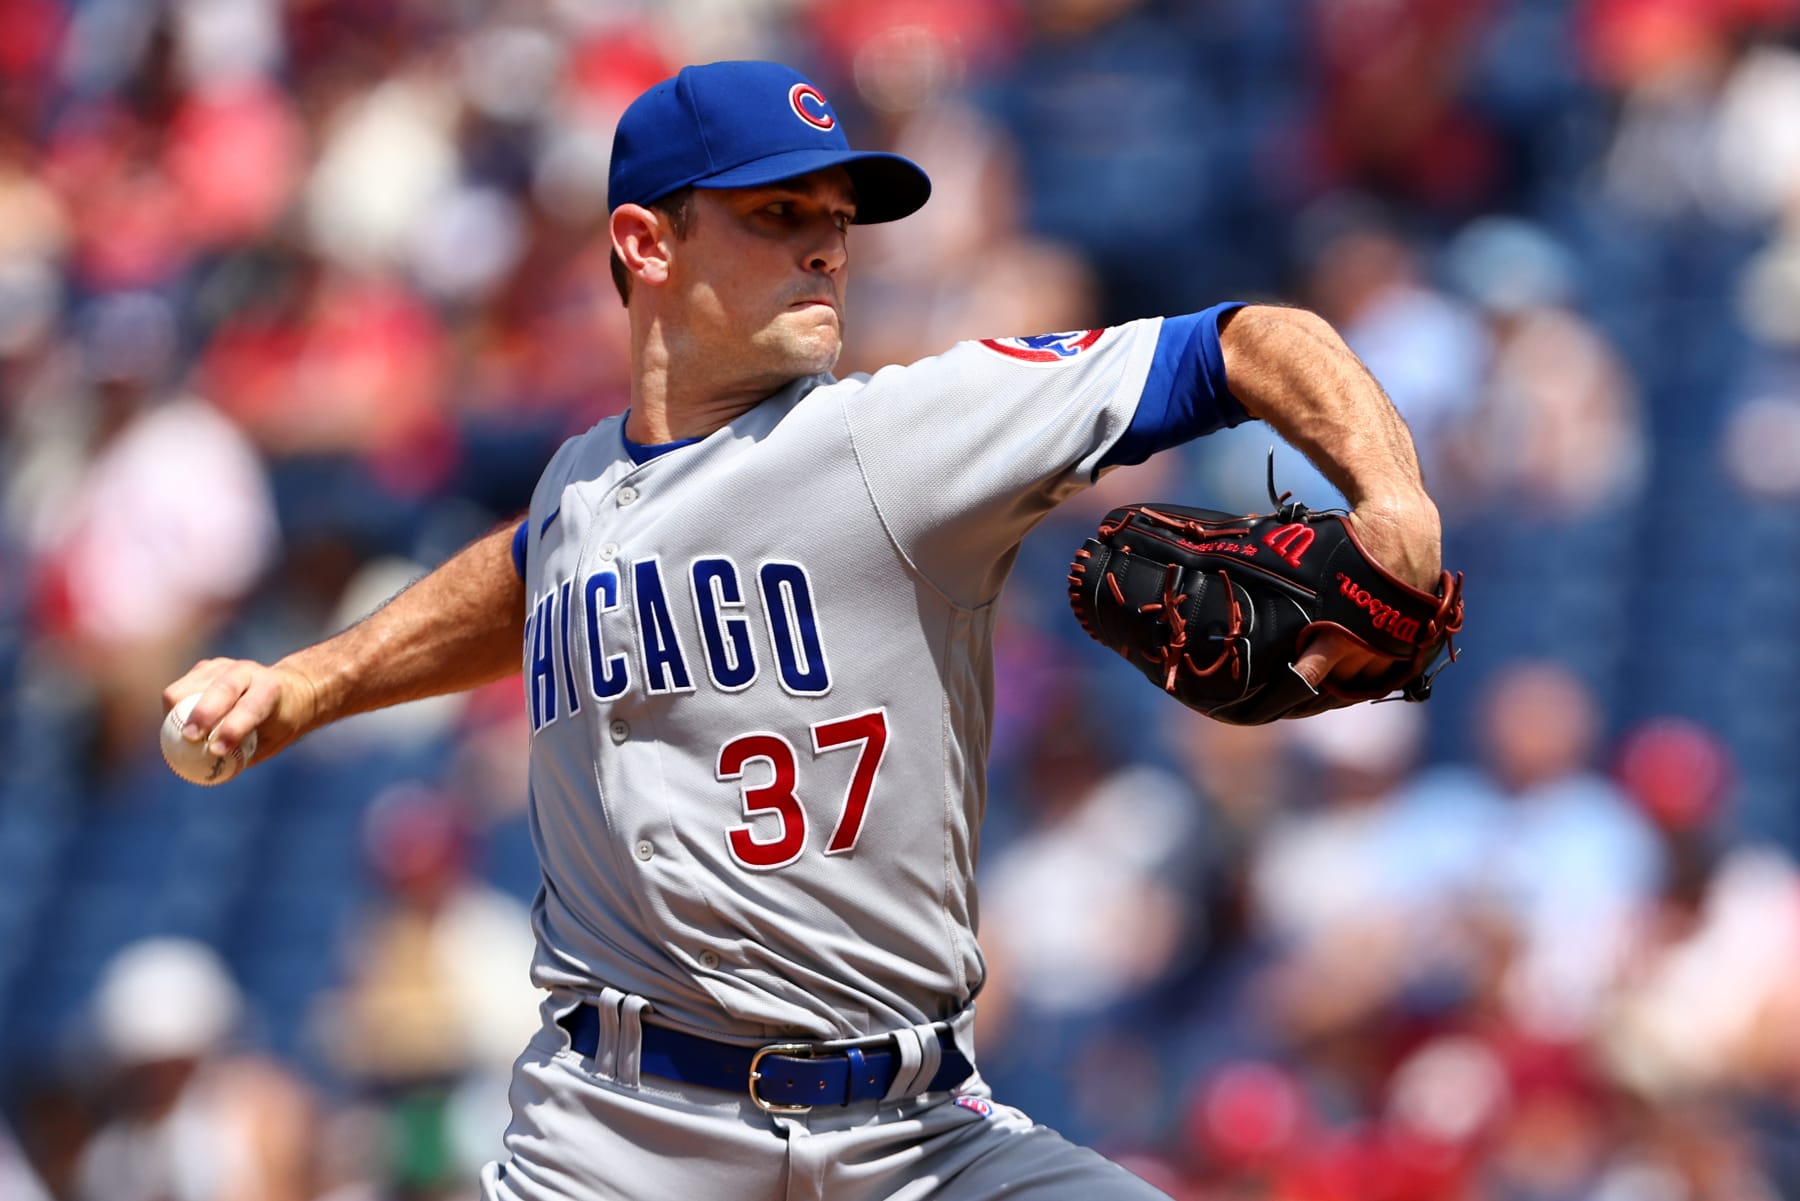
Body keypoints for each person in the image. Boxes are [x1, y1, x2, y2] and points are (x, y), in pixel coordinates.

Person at [165, 60, 1446, 1201]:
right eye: (779, 215)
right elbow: (529, 568)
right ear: (644, 242)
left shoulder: (895, 437)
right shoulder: (574, 487)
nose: (827, 247)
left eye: (838, 221)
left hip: (916, 1139)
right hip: (616, 1138)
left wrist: (1392, 499)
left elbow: (1248, 342)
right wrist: (310, 682)